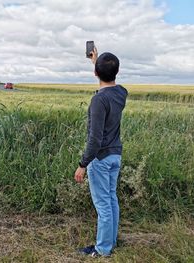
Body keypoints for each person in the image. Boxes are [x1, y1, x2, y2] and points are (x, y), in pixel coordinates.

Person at [74, 47, 128, 257]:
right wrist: (96, 63)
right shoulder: (121, 93)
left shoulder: (99, 100)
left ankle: (103, 249)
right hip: (115, 155)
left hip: (101, 158)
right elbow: (108, 83)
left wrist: (82, 164)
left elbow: (95, 139)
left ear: (97, 73)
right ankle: (110, 242)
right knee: (111, 198)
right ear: (117, 72)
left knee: (103, 204)